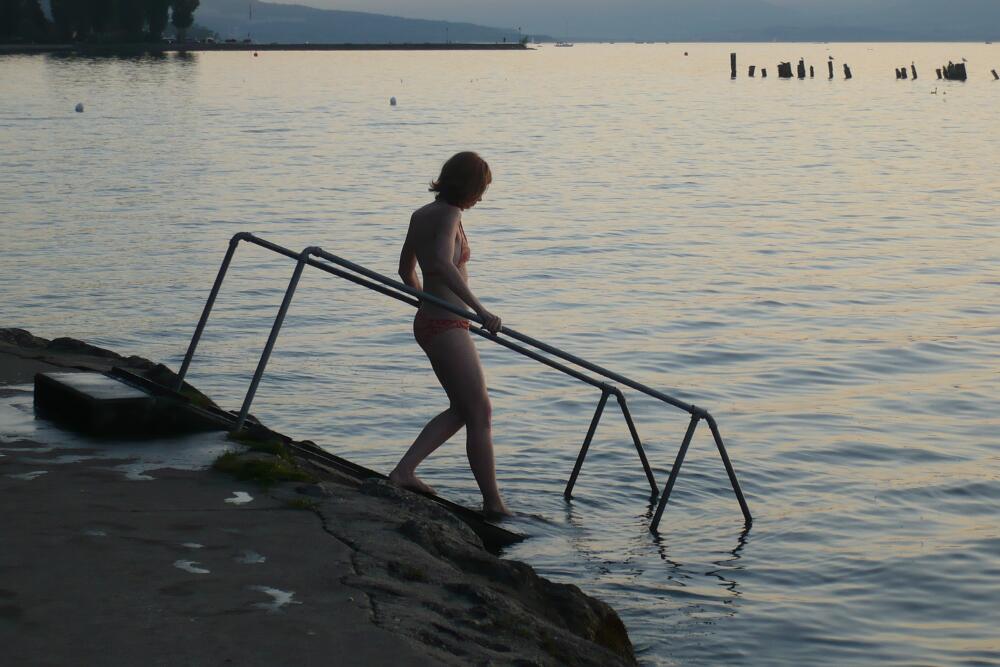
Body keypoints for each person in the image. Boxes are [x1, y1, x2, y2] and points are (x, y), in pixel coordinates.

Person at [389, 152, 510, 517]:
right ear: (468, 186)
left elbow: (405, 269)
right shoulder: (449, 215)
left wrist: (423, 302)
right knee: (480, 411)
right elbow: (441, 264)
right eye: (480, 190)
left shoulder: (422, 213)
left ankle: (404, 472)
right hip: (446, 325)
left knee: (464, 409)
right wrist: (481, 310)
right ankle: (493, 504)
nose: (481, 198)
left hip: (433, 320)